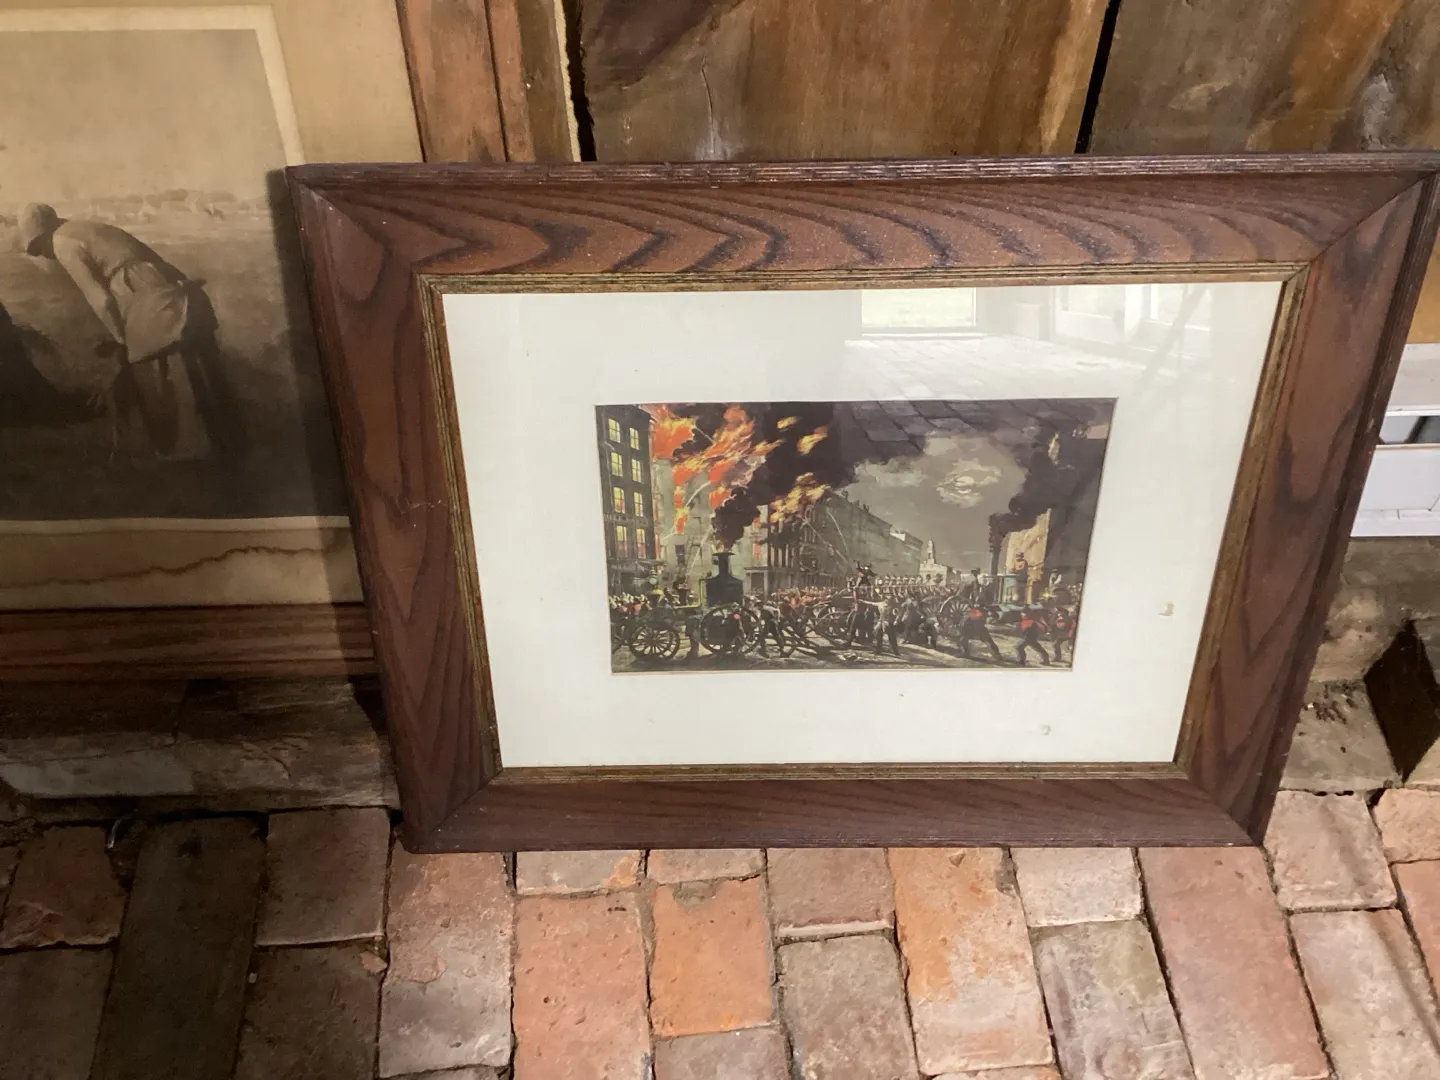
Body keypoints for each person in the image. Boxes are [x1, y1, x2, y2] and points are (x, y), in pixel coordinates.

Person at [18, 203, 240, 460]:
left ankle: (185, 454)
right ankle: (232, 445)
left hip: (149, 300)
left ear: (42, 236)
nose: (44, 256)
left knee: (157, 379)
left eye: (38, 248)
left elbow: (101, 300)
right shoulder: (88, 228)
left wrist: (121, 340)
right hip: (181, 292)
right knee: (206, 375)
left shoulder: (62, 242)